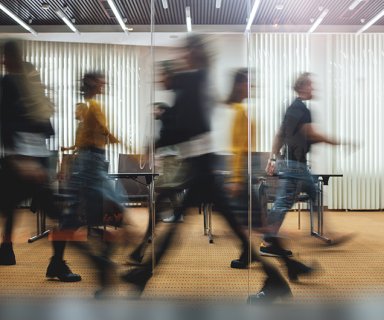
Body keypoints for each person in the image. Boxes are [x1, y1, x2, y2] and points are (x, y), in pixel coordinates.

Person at [122, 35, 294, 303]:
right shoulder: (199, 79)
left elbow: (186, 125)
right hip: (202, 164)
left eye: (185, 51)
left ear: (194, 53)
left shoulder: (194, 80)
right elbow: (186, 122)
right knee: (227, 227)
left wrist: (155, 143)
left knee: (184, 226)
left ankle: (144, 274)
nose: (181, 56)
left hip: (203, 165)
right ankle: (277, 277)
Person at [0, 40, 81, 282]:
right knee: (60, 213)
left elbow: (46, 129)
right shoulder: (9, 83)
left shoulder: (27, 87)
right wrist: (18, 158)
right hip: (24, 159)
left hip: (34, 157)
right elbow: (6, 123)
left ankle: (8, 251)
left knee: (14, 207)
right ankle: (57, 263)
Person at [64, 71, 125, 295]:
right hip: (91, 162)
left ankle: (97, 262)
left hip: (89, 160)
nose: (104, 83)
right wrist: (129, 147)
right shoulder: (91, 106)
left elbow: (90, 137)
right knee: (111, 212)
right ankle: (102, 263)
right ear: (91, 83)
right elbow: (105, 132)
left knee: (76, 217)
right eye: (101, 81)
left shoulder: (90, 106)